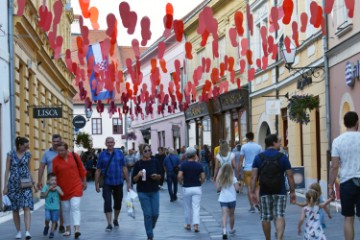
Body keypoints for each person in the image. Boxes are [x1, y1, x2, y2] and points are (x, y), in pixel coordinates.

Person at [251, 134, 296, 240]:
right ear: (274, 143)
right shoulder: (282, 157)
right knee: (280, 215)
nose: (280, 144)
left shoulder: (259, 157)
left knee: (265, 217)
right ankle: (279, 238)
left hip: (264, 191)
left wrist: (253, 192)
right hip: (280, 191)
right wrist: (293, 191)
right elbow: (290, 175)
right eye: (279, 142)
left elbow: (253, 177)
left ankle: (268, 239)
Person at [328, 111, 360, 240]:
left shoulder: (337, 141)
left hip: (347, 182)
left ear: (345, 124)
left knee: (348, 218)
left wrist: (331, 186)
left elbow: (334, 166)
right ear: (357, 123)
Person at [3, 137, 36, 239]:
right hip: (13, 185)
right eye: (25, 146)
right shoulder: (10, 155)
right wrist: (5, 186)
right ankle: (18, 231)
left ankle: (27, 232)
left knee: (26, 207)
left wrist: (33, 182)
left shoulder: (28, 154)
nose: (27, 148)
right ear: (19, 145)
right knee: (15, 209)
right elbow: (7, 171)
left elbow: (29, 169)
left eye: (27, 146)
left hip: (25, 184)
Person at [52, 142, 87, 239]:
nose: (60, 152)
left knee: (75, 206)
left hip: (75, 185)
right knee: (65, 209)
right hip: (63, 189)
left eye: (62, 150)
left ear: (67, 149)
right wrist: (54, 186)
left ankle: (77, 229)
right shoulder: (55, 160)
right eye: (58, 151)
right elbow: (53, 175)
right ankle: (67, 228)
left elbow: (81, 169)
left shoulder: (74, 156)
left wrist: (84, 181)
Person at [95, 137, 130, 232]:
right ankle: (109, 223)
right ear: (105, 143)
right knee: (107, 202)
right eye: (108, 142)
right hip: (107, 182)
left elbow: (124, 168)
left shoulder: (120, 153)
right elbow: (98, 170)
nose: (110, 144)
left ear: (114, 143)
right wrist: (96, 184)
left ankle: (115, 219)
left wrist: (128, 182)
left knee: (118, 202)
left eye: (111, 142)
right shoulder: (102, 155)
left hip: (118, 182)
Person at [132, 144, 162, 240]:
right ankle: (150, 235)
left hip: (154, 190)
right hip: (142, 191)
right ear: (141, 152)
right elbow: (134, 180)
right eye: (145, 151)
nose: (148, 152)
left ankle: (150, 227)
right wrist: (138, 175)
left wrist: (157, 176)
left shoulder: (155, 161)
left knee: (155, 214)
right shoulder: (138, 164)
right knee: (148, 214)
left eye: (149, 150)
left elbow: (160, 175)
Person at [37, 134, 65, 233]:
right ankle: (52, 221)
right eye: (54, 141)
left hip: (62, 182)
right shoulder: (47, 153)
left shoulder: (64, 152)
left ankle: (61, 224)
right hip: (51, 182)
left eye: (58, 141)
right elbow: (41, 167)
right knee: (51, 203)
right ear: (52, 142)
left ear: (61, 141)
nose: (56, 143)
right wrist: (39, 180)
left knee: (61, 204)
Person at [178, 147, 205, 233]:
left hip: (187, 187)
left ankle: (188, 224)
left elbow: (179, 176)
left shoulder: (183, 165)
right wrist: (201, 182)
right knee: (196, 207)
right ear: (194, 155)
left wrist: (181, 182)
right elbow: (203, 176)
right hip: (197, 187)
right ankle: (196, 226)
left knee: (187, 207)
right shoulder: (198, 165)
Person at [237, 132, 262, 213]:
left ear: (247, 138)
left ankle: (252, 207)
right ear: (253, 137)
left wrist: (238, 171)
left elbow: (241, 160)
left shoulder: (244, 147)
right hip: (256, 170)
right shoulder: (258, 147)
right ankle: (257, 202)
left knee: (249, 189)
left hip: (247, 170)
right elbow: (261, 159)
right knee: (257, 189)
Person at [216, 164, 239, 240]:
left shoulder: (221, 178)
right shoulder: (233, 178)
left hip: (223, 199)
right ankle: (231, 229)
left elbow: (218, 189)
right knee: (231, 215)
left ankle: (224, 231)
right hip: (232, 199)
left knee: (224, 215)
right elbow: (237, 189)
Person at [40, 173, 64, 239]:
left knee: (54, 220)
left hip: (56, 208)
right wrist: (48, 190)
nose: (54, 181)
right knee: (47, 218)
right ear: (48, 181)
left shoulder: (57, 187)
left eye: (55, 180)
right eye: (52, 180)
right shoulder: (46, 187)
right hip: (48, 208)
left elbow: (62, 194)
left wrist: (57, 189)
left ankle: (52, 232)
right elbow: (43, 196)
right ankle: (47, 226)